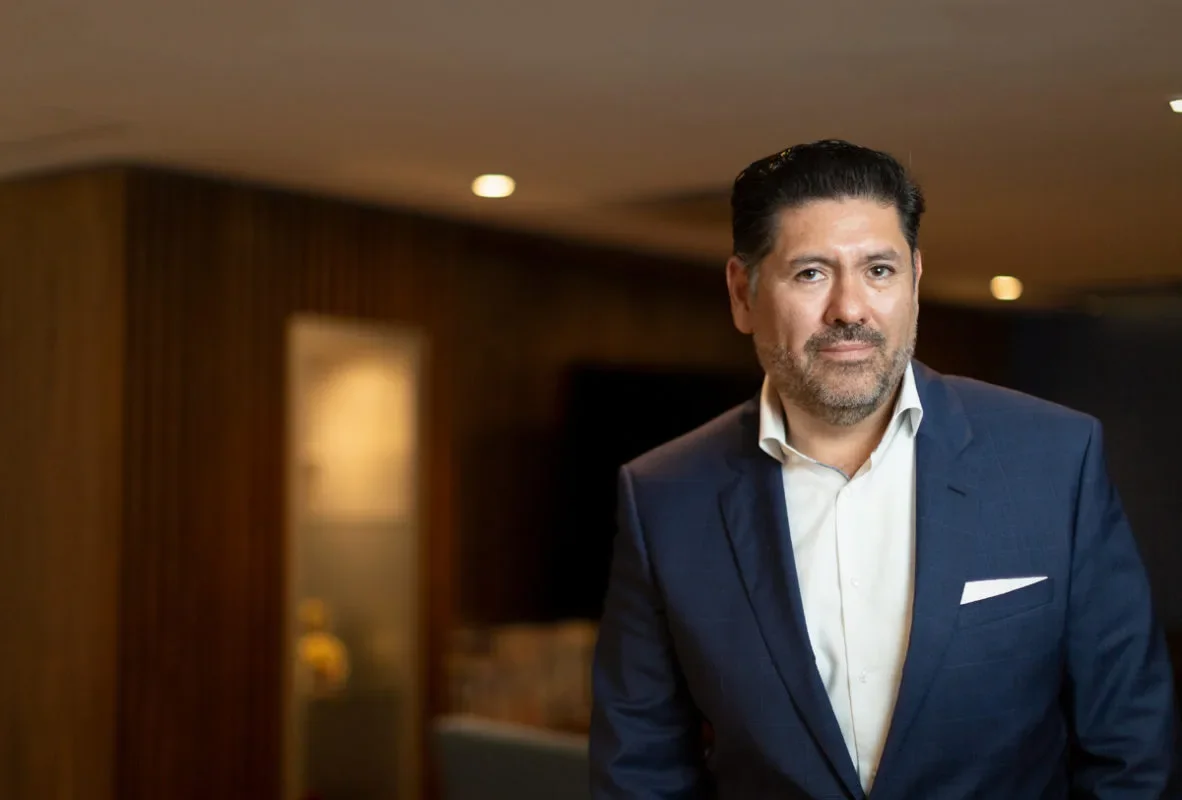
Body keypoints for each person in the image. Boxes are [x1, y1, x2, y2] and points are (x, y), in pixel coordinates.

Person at [588, 139, 1178, 799]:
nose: (850, 309)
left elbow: (1131, 749)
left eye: (878, 270)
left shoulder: (1055, 459)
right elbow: (640, 770)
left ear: (915, 283)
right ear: (741, 293)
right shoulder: (664, 497)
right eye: (811, 273)